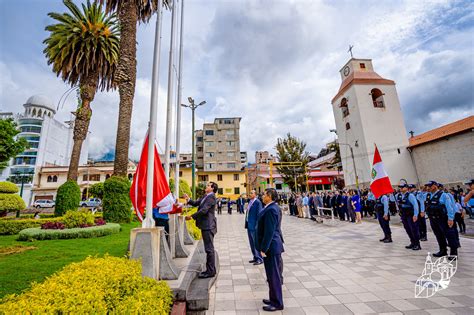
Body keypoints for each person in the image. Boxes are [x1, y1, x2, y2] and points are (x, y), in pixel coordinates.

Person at [256, 188, 284, 312]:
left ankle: (277, 303)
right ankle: (273, 298)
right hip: (272, 246)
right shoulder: (272, 207)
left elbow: (270, 231)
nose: (262, 196)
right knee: (271, 275)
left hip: (271, 247)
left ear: (270, 196)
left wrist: (264, 248)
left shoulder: (271, 209)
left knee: (274, 276)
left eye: (264, 195)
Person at [184, 182, 218, 278]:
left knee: (209, 249)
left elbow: (204, 210)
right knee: (209, 248)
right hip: (206, 226)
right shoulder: (206, 196)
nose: (206, 186)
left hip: (208, 226)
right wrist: (189, 199)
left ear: (212, 188)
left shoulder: (211, 197)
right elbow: (196, 203)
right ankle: (211, 270)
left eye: (208, 185)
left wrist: (191, 216)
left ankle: (210, 271)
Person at [424, 181, 459, 257]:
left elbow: (449, 208)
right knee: (439, 235)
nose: (428, 188)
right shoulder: (428, 195)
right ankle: (443, 250)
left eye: (429, 186)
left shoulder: (443, 195)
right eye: (427, 186)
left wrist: (450, 219)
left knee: (450, 235)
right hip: (433, 219)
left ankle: (453, 253)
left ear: (435, 186)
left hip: (443, 219)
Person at [397, 183, 421, 250]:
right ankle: (412, 242)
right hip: (404, 215)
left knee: (414, 229)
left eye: (402, 187)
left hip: (410, 215)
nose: (401, 189)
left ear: (406, 188)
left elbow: (415, 205)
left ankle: (417, 244)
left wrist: (415, 215)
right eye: (400, 187)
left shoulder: (410, 195)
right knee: (408, 229)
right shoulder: (400, 195)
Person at [245, 190, 263, 265]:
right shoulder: (250, 201)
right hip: (249, 225)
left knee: (255, 242)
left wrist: (257, 226)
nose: (250, 194)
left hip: (254, 226)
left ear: (255, 195)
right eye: (250, 193)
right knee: (251, 242)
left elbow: (259, 214)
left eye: (252, 193)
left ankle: (259, 258)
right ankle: (255, 257)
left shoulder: (257, 202)